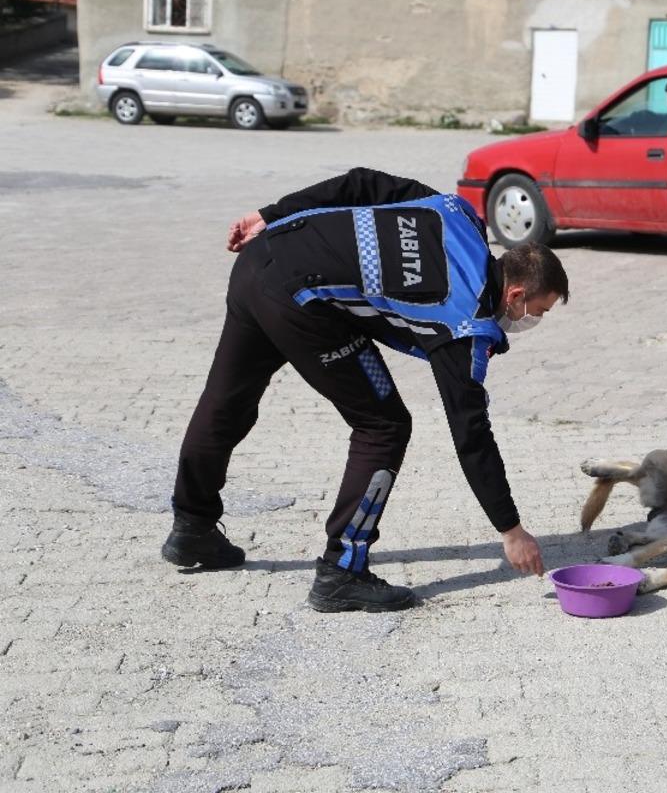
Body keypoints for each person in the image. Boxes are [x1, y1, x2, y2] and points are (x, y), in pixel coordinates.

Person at [161, 167, 569, 613]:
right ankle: (342, 572)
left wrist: (269, 214)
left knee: (227, 401)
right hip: (299, 303)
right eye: (539, 310)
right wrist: (511, 529)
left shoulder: (456, 214)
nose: (535, 320)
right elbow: (471, 433)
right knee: (385, 425)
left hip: (261, 257)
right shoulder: (465, 325)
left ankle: (192, 527)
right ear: (513, 295)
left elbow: (360, 181)